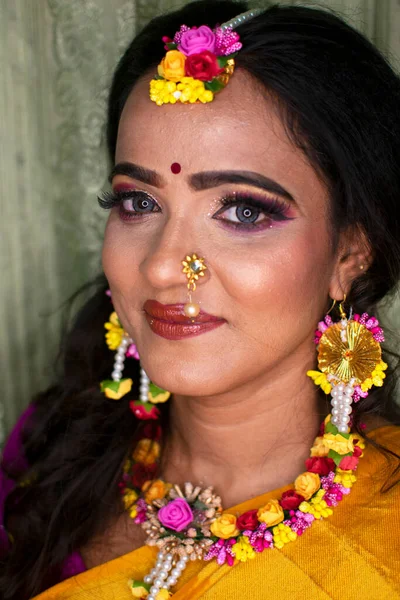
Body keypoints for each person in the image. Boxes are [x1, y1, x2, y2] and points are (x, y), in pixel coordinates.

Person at [1, 1, 400, 598]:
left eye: (243, 210)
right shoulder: (52, 449)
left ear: (351, 253)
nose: (162, 266)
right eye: (138, 202)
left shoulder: (386, 539)